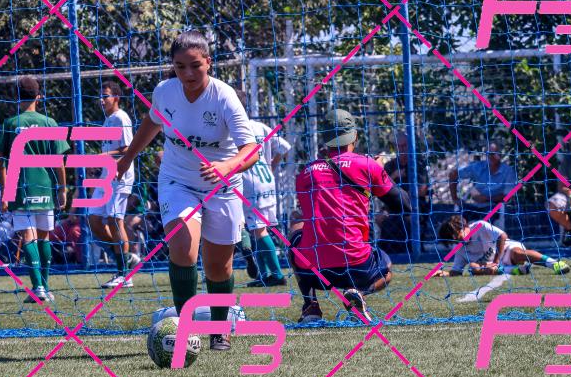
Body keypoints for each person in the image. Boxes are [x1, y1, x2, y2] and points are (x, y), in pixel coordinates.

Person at [116, 30, 258, 352]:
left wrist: (227, 166)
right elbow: (152, 122)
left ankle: (219, 330)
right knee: (182, 246)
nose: (188, 73)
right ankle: (185, 329)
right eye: (180, 67)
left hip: (222, 186)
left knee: (218, 266)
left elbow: (251, 150)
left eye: (195, 65)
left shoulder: (224, 97)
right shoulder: (165, 92)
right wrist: (128, 157)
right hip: (177, 181)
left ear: (208, 62)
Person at [290, 109, 411, 323]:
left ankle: (310, 306)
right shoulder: (367, 164)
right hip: (358, 267)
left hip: (316, 271)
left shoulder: (305, 173)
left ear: (325, 138)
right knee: (387, 268)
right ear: (354, 136)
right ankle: (359, 294)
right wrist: (379, 171)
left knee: (296, 227)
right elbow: (403, 203)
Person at [0, 77, 70, 302]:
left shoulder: (10, 124)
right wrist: (62, 189)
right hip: (45, 185)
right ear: (38, 96)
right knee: (44, 236)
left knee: (28, 236)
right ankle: (45, 287)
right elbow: (59, 161)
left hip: (21, 186)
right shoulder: (50, 123)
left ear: (17, 97)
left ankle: (38, 288)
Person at [233, 89, 291, 287]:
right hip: (266, 181)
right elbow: (284, 147)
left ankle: (276, 274)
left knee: (259, 230)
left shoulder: (234, 129)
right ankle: (264, 274)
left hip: (249, 183)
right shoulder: (260, 127)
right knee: (257, 228)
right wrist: (270, 166)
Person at [87, 81, 139, 288]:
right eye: (100, 96)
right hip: (106, 176)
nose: (101, 100)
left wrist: (102, 156)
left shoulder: (120, 117)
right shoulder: (108, 120)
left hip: (120, 175)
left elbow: (128, 148)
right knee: (94, 219)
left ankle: (124, 274)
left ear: (116, 98)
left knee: (115, 221)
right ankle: (126, 259)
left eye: (105, 96)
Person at [436, 215, 569, 276]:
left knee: (518, 254)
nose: (458, 241)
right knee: (473, 267)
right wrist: (444, 273)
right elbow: (457, 271)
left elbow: (502, 236)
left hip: (506, 250)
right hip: (493, 266)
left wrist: (496, 261)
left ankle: (554, 263)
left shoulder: (480, 226)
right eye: (454, 240)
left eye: (458, 236)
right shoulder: (459, 249)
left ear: (463, 226)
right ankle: (515, 270)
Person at [377, 129, 430, 254]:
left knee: (408, 218)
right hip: (392, 205)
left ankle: (413, 250)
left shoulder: (418, 164)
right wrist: (394, 176)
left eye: (405, 145)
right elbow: (381, 188)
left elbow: (422, 190)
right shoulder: (390, 166)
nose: (402, 149)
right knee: (380, 217)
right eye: (399, 146)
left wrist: (404, 195)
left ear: (410, 146)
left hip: (413, 205)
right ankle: (388, 251)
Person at [449, 142, 516, 224]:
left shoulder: (508, 171)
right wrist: (455, 198)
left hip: (493, 207)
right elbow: (453, 174)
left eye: (493, 154)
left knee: (485, 223)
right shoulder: (478, 167)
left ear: (500, 155)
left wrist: (485, 198)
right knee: (456, 222)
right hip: (472, 205)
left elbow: (508, 196)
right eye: (487, 154)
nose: (490, 156)